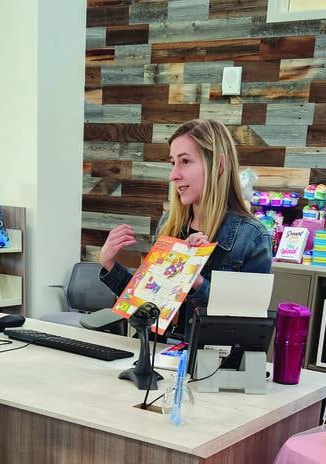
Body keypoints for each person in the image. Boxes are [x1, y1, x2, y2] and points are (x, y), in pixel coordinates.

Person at [98, 118, 272, 338]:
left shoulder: (251, 238)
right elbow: (145, 303)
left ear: (218, 166)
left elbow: (248, 328)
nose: (174, 175)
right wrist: (109, 264)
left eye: (185, 161)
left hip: (205, 367)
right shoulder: (169, 225)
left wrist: (196, 280)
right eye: (173, 163)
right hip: (153, 357)